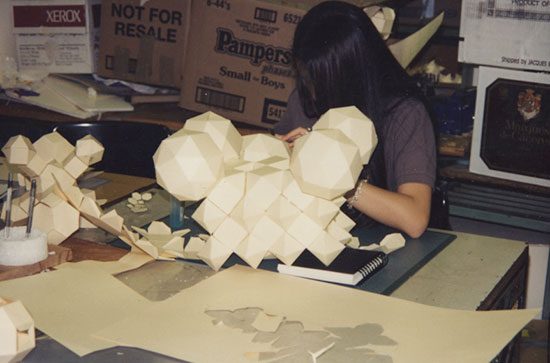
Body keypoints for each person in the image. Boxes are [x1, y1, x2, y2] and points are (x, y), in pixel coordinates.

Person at [273, 1, 436, 238]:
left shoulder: (405, 114)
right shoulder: (304, 99)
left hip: (383, 249)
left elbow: (415, 219)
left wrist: (337, 176)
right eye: (306, 76)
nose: (312, 90)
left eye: (319, 79)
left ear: (350, 74)